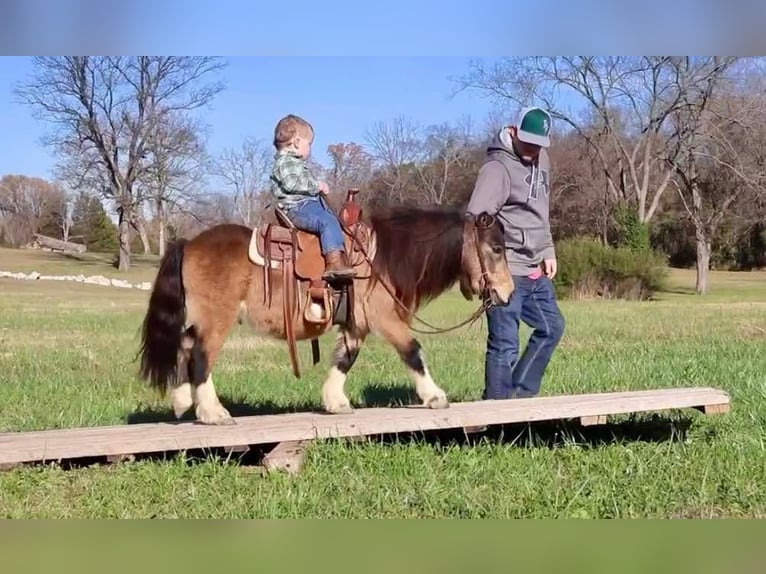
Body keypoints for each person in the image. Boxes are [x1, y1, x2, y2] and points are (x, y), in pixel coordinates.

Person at [465, 106, 566, 400]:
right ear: (513, 130)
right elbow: (476, 221)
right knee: (504, 344)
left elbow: (540, 210)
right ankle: (497, 413)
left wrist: (548, 249)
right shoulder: (497, 168)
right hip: (506, 271)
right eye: (528, 142)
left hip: (535, 268)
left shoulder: (541, 158)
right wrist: (484, 271)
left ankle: (519, 400)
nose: (533, 149)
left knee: (552, 327)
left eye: (539, 144)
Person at [269, 113, 355, 281]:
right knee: (327, 222)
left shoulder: (294, 163)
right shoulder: (286, 162)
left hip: (305, 205)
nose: (310, 148)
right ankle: (334, 263)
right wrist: (317, 186)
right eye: (309, 144)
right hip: (297, 208)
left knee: (332, 218)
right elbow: (292, 184)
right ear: (297, 142)